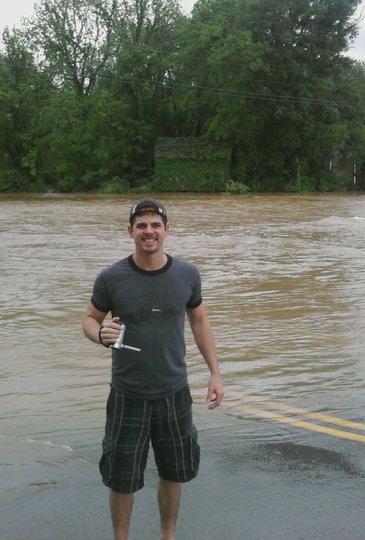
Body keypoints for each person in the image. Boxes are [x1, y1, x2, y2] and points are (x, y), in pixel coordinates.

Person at [82, 198, 224, 540]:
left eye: (155, 225)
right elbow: (90, 319)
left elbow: (199, 320)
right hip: (127, 394)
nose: (149, 231)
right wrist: (100, 335)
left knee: (174, 472)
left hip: (174, 392)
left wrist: (215, 373)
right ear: (130, 231)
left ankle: (167, 536)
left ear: (166, 231)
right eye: (142, 225)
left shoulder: (187, 274)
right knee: (121, 477)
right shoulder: (111, 277)